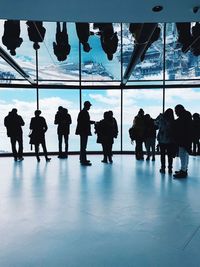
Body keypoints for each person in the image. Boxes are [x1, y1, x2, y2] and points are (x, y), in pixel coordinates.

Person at [173, 105, 192, 178]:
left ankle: (183, 171)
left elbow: (180, 126)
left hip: (183, 139)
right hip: (186, 139)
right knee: (185, 154)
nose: (175, 112)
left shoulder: (183, 117)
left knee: (182, 154)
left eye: (176, 110)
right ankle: (184, 169)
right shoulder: (187, 115)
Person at [155, 109, 176, 174]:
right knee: (170, 155)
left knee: (162, 155)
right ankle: (170, 168)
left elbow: (155, 123)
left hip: (162, 140)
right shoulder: (172, 121)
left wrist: (159, 117)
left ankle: (163, 168)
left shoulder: (162, 119)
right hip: (170, 141)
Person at [75, 101, 95, 166]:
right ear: (86, 105)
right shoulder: (84, 112)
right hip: (84, 131)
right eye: (89, 106)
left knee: (83, 146)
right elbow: (86, 122)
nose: (89, 107)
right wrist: (93, 122)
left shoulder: (82, 112)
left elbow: (82, 121)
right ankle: (83, 160)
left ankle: (82, 158)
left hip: (82, 131)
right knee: (83, 146)